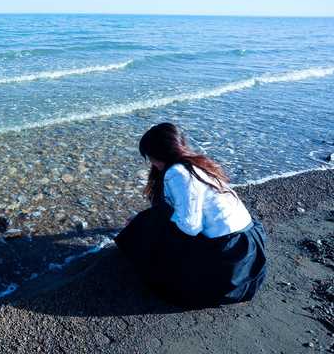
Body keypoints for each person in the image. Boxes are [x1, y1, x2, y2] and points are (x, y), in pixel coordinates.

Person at [114, 122, 267, 307]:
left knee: (152, 237)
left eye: (149, 156)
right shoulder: (198, 164)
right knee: (152, 219)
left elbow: (190, 227)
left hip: (230, 262)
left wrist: (150, 231)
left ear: (158, 154)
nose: (150, 162)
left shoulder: (177, 173)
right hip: (249, 248)